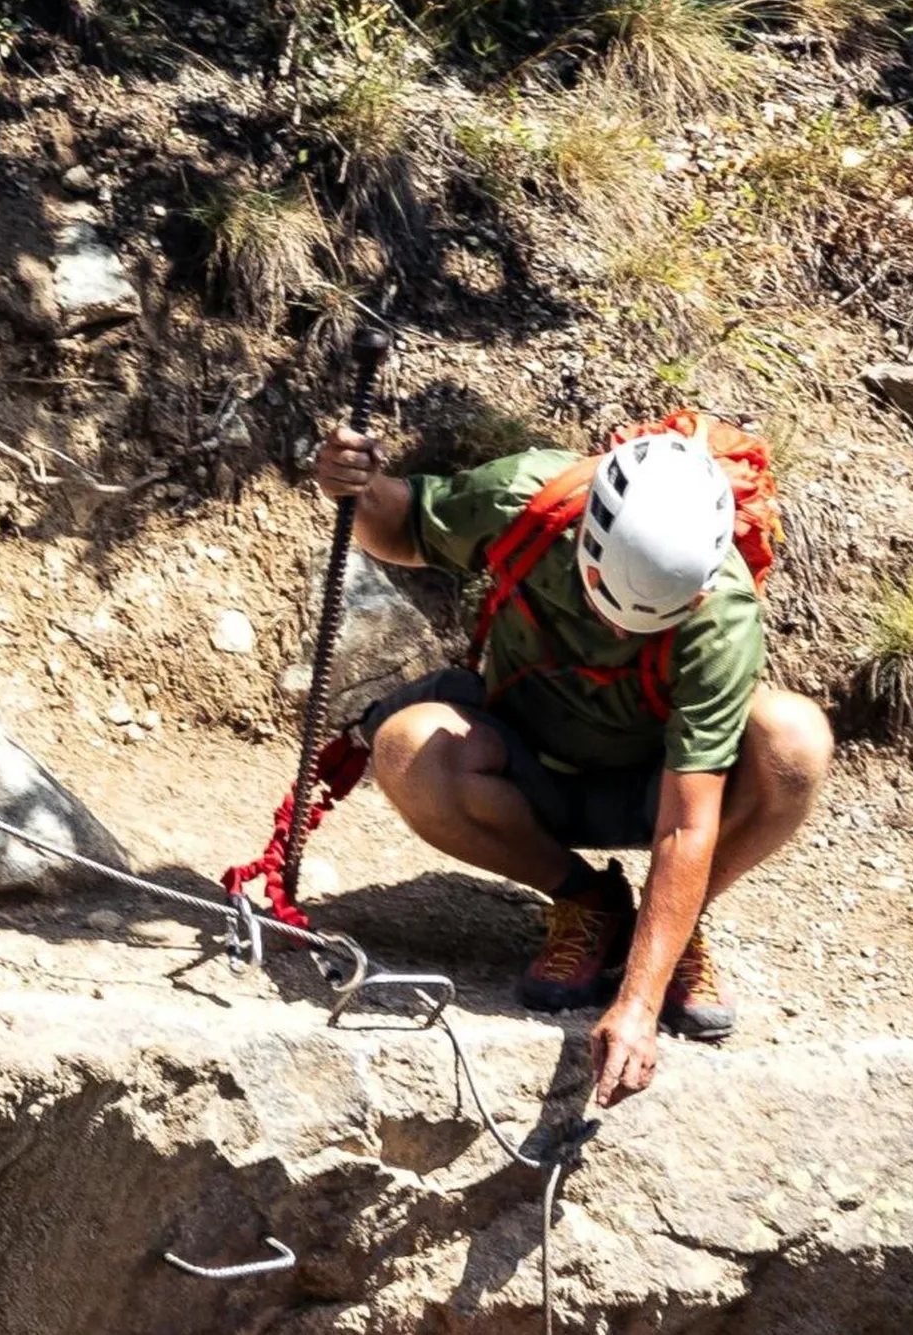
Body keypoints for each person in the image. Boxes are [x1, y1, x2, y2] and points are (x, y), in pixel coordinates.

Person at [315, 422, 833, 1107]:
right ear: (587, 547)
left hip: (658, 789)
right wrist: (359, 487)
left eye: (648, 621)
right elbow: (403, 527)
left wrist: (637, 1007)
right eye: (606, 604)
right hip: (527, 767)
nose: (620, 634)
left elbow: (686, 825)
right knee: (407, 746)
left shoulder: (722, 615)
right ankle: (586, 901)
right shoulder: (532, 499)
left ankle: (669, 931)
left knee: (795, 739)